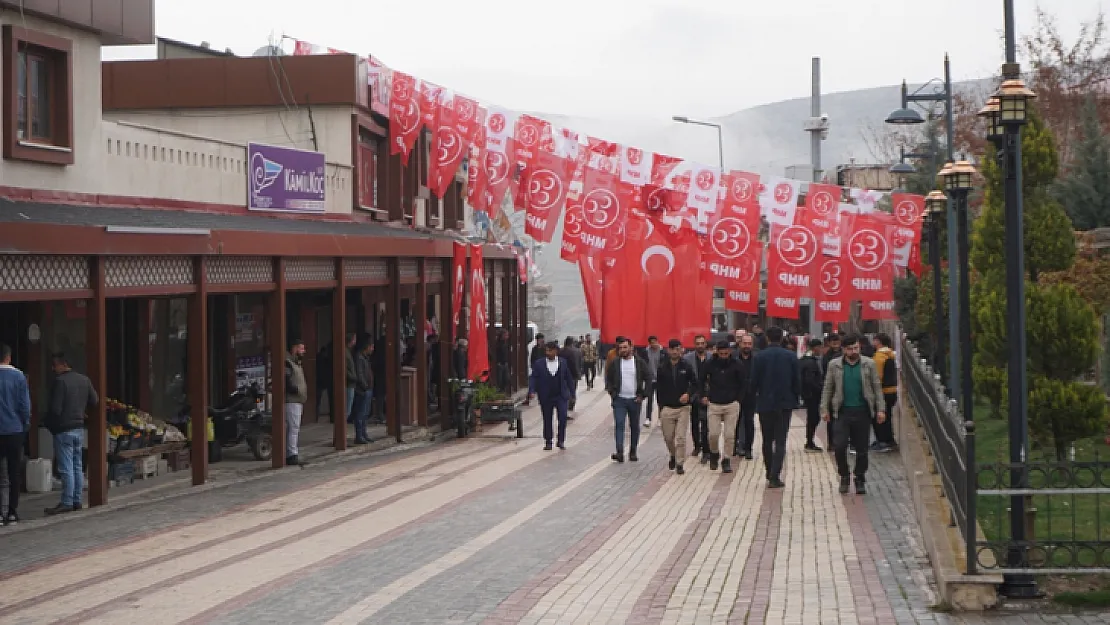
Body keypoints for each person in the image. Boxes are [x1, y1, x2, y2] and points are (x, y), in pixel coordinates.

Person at [821, 334, 886, 495]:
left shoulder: (868, 364)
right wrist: (824, 409)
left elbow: (876, 387)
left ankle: (860, 477)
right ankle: (844, 475)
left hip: (862, 411)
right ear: (844, 350)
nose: (853, 351)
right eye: (850, 349)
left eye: (856, 348)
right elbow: (828, 387)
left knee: (862, 448)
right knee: (840, 446)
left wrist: (881, 409)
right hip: (842, 412)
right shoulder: (834, 365)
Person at [44, 352, 97, 516]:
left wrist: (49, 424)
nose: (53, 369)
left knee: (66, 466)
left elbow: (55, 409)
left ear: (63, 364)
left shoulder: (60, 382)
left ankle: (67, 501)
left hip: (63, 429)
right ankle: (77, 500)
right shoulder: (84, 380)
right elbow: (94, 401)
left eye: (55, 365)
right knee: (77, 465)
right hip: (78, 427)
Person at [750, 327, 800, 489]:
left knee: (766, 439)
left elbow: (754, 382)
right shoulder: (791, 356)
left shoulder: (759, 357)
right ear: (781, 338)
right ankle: (775, 475)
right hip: (785, 404)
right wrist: (795, 398)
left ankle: (768, 471)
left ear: (766, 338)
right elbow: (796, 381)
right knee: (780, 440)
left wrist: (755, 397)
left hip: (765, 403)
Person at [701, 340, 746, 473]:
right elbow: (701, 379)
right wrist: (703, 395)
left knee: (729, 435)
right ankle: (714, 453)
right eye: (721, 353)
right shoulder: (709, 364)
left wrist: (738, 399)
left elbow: (743, 383)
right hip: (714, 403)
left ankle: (726, 459)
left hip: (732, 403)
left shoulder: (737, 364)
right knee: (713, 434)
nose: (723, 355)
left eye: (726, 353)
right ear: (716, 352)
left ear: (730, 351)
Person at [604, 336, 650, 463]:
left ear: (631, 347)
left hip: (635, 400)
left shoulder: (639, 362)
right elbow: (609, 378)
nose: (623, 350)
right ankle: (619, 451)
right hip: (620, 400)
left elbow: (648, 378)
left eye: (625, 347)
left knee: (634, 426)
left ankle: (633, 451)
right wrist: (612, 392)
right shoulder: (615, 362)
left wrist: (643, 395)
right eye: (620, 348)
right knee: (619, 424)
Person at [655, 339, 697, 475]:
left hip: (683, 407)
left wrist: (688, 394)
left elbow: (695, 384)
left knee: (680, 437)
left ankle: (679, 462)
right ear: (668, 350)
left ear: (681, 350)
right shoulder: (662, 367)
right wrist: (660, 407)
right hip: (667, 407)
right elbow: (659, 388)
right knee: (668, 437)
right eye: (672, 349)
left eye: (677, 349)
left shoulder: (687, 365)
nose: (674, 352)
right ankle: (673, 455)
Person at [0, 343, 30, 525]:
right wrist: (25, 424)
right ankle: (12, 511)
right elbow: (24, 406)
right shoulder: (18, 376)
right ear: (8, 357)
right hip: (14, 429)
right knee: (14, 472)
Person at [528, 341, 575, 450]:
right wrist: (532, 390)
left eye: (550, 350)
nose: (548, 353)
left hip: (561, 395)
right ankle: (548, 441)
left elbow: (568, 378)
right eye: (546, 350)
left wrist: (572, 393)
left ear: (556, 351)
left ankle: (561, 440)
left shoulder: (563, 362)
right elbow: (533, 377)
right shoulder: (539, 364)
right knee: (547, 419)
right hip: (546, 395)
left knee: (563, 418)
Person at [682, 335, 712, 464]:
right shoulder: (687, 359)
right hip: (694, 395)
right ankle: (697, 445)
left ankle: (707, 450)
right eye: (698, 343)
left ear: (706, 344)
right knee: (694, 422)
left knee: (706, 424)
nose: (700, 345)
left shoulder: (712, 357)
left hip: (708, 395)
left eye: (702, 343)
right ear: (694, 345)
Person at [870, 333, 899, 452]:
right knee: (887, 417)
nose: (873, 342)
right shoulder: (890, 355)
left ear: (879, 342)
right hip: (892, 390)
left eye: (874, 340)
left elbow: (877, 376)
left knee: (880, 417)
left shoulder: (879, 356)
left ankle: (882, 441)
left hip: (882, 391)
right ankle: (889, 440)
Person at [733, 334, 758, 459]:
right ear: (740, 344)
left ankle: (748, 448)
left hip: (751, 395)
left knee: (749, 422)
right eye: (745, 343)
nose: (747, 346)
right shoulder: (733, 358)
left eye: (749, 343)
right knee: (735, 422)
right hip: (735, 395)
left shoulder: (757, 359)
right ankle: (736, 446)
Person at [800, 338, 826, 452]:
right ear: (815, 348)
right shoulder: (810, 362)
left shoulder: (805, 359)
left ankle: (810, 441)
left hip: (808, 394)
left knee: (813, 418)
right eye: (820, 347)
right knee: (813, 418)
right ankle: (809, 442)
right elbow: (809, 380)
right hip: (812, 395)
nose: (821, 350)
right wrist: (820, 388)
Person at [285, 339, 308, 466]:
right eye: (301, 348)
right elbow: (287, 380)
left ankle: (292, 452)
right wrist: (295, 390)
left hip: (298, 400)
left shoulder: (297, 363)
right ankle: (292, 454)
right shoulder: (289, 363)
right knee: (293, 428)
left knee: (294, 428)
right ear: (294, 349)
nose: (303, 351)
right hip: (292, 400)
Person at [821, 333, 843, 452]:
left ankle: (841, 441)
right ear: (829, 343)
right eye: (833, 342)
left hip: (842, 389)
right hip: (832, 389)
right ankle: (832, 442)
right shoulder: (827, 356)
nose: (835, 345)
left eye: (837, 342)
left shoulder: (844, 354)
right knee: (831, 419)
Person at [351, 335, 374, 445]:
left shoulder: (365, 357)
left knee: (365, 414)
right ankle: (359, 436)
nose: (372, 349)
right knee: (360, 413)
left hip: (368, 389)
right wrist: (365, 386)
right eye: (371, 347)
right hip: (362, 390)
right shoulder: (359, 358)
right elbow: (359, 374)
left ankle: (364, 434)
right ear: (367, 347)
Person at [641, 336, 664, 427]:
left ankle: (660, 418)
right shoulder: (646, 352)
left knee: (660, 400)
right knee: (649, 399)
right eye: (652, 342)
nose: (654, 344)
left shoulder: (662, 352)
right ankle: (648, 418)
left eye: (655, 342)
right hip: (650, 379)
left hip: (660, 379)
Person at [560, 337, 583, 413]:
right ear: (572, 343)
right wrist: (578, 373)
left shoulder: (561, 351)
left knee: (564, 390)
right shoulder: (576, 351)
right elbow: (577, 363)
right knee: (573, 389)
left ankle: (566, 405)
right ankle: (571, 404)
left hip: (562, 375)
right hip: (573, 374)